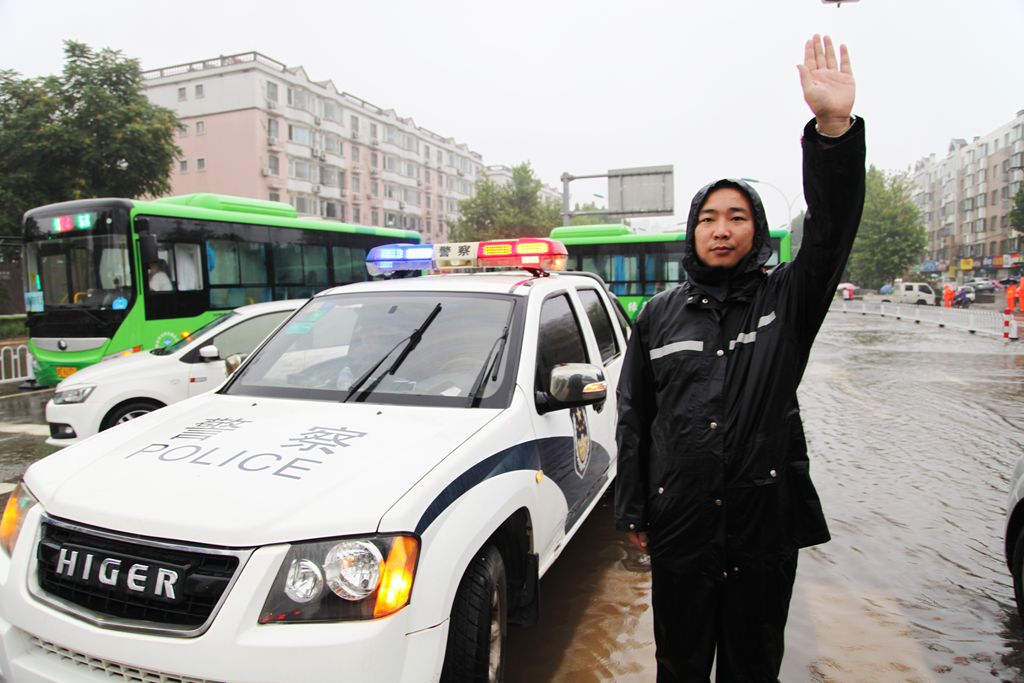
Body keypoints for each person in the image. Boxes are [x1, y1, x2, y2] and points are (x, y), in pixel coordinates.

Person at [615, 34, 865, 682]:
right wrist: (635, 508)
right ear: (692, 231)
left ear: (756, 228)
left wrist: (832, 131)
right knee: (680, 666)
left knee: (755, 668)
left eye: (736, 216)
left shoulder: (788, 297)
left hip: (762, 532)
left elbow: (833, 231)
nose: (721, 229)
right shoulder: (658, 314)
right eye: (708, 218)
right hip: (682, 531)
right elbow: (636, 417)